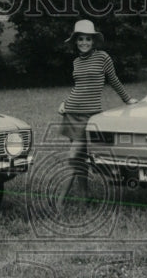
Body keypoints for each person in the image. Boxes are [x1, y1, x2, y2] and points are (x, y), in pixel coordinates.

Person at [57, 19, 137, 209]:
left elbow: (114, 80)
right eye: (80, 39)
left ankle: (59, 203)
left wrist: (127, 100)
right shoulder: (76, 61)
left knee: (73, 156)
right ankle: (85, 197)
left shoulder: (103, 58)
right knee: (79, 160)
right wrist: (64, 102)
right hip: (71, 113)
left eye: (88, 39)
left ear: (94, 41)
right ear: (75, 41)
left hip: (90, 116)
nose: (84, 43)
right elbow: (79, 87)